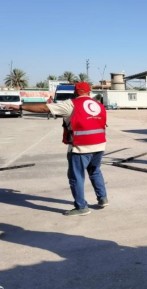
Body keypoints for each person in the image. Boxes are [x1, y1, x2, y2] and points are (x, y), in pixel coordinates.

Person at [6, 82, 109, 216]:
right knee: (95, 171)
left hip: (81, 146)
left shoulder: (71, 104)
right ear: (89, 92)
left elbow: (45, 108)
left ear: (75, 92)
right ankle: (102, 198)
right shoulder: (99, 105)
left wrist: (20, 107)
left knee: (76, 177)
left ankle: (81, 207)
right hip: (100, 145)